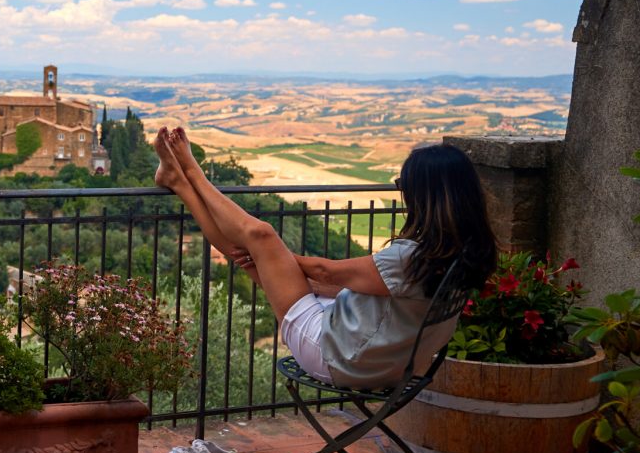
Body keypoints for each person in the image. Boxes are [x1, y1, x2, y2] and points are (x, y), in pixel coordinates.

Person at [152, 127, 497, 390]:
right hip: (388, 360)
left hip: (341, 357)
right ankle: (179, 183)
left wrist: (277, 258)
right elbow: (380, 295)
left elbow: (324, 271)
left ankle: (191, 174)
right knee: (254, 257)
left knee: (261, 237)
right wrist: (278, 265)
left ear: (426, 195)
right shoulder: (465, 252)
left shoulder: (413, 257)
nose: (401, 191)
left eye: (402, 184)